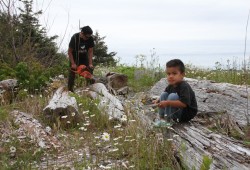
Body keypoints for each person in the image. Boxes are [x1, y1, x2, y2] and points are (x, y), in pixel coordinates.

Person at [153, 59, 198, 127]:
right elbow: (164, 95)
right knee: (163, 94)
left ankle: (169, 120)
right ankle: (162, 118)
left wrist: (167, 103)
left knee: (172, 96)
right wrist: (158, 101)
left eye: (174, 73)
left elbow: (183, 104)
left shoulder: (184, 86)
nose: (171, 76)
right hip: (177, 111)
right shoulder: (170, 86)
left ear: (182, 75)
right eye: (168, 74)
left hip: (185, 114)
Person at [68, 26, 95, 92]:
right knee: (72, 73)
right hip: (74, 57)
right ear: (82, 33)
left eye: (89, 37)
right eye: (86, 37)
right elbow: (69, 51)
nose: (87, 38)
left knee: (89, 70)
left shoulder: (90, 38)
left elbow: (91, 51)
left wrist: (90, 63)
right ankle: (70, 90)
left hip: (84, 57)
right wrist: (73, 63)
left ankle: (90, 88)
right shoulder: (75, 37)